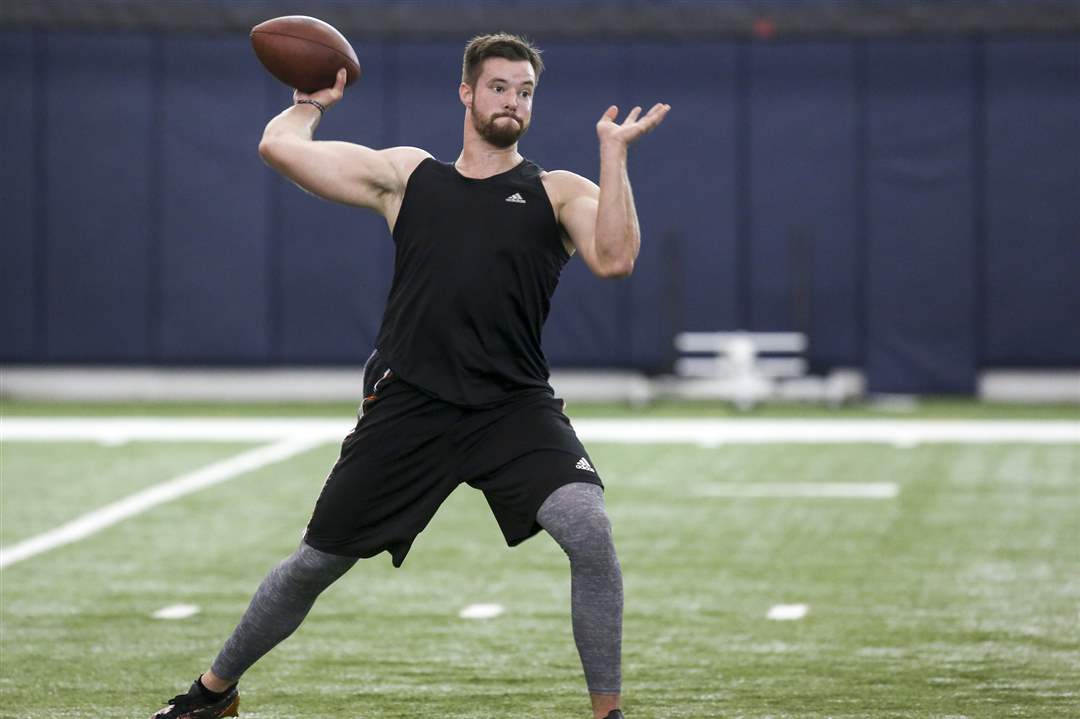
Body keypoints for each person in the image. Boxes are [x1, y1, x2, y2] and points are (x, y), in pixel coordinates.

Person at [150, 32, 669, 719]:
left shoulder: (557, 191)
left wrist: (613, 155)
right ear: (467, 92)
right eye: (498, 87)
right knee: (315, 562)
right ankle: (211, 695)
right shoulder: (409, 175)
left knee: (589, 532)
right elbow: (280, 148)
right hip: (412, 404)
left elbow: (616, 257)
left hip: (512, 408)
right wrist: (308, 102)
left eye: (524, 91)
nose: (512, 101)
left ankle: (608, 713)